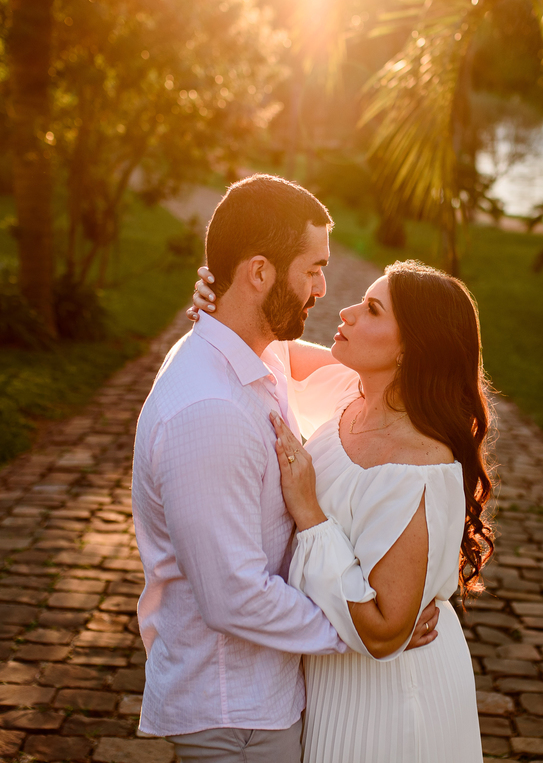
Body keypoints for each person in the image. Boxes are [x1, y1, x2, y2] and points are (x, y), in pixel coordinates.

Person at [131, 174, 439, 763]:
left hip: (261, 700)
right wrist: (372, 633)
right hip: (236, 714)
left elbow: (365, 384)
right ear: (259, 273)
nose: (324, 287)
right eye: (313, 268)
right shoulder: (210, 412)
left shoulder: (252, 351)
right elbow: (233, 598)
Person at [190, 258, 494, 763]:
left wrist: (310, 513)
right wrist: (219, 304)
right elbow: (269, 349)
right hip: (331, 681)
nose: (347, 311)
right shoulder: (351, 394)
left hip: (394, 700)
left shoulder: (418, 466)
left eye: (372, 309)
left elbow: (382, 630)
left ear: (410, 348)